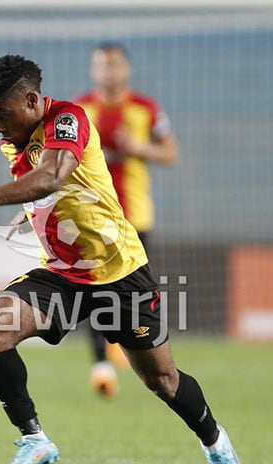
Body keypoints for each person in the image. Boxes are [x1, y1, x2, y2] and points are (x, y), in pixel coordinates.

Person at [0, 54, 243, 464]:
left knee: (162, 381)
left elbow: (53, 176)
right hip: (62, 276)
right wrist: (28, 212)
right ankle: (34, 437)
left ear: (31, 100)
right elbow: (45, 188)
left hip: (120, 275)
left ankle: (216, 443)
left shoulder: (67, 118)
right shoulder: (14, 139)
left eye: (1, 114)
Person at [74, 43, 179, 397]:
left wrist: (137, 148)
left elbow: (171, 152)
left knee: (132, 293)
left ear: (126, 69)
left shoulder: (145, 108)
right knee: (93, 286)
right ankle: (101, 366)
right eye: (102, 65)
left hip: (135, 216)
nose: (108, 71)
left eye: (114, 64)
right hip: (92, 215)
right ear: (93, 70)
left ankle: (125, 344)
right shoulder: (79, 110)